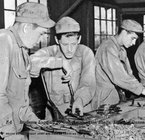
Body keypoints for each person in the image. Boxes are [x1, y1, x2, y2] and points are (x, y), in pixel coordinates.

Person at [0, 2, 55, 140]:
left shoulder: (23, 51)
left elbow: (20, 101)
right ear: (26, 27)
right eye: (41, 33)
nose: (42, 38)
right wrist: (9, 134)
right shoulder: (4, 41)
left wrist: (37, 122)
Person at [30, 17, 96, 118]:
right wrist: (60, 62)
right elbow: (30, 62)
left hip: (81, 109)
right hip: (54, 114)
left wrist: (80, 100)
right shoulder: (50, 52)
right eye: (65, 44)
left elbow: (88, 82)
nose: (70, 49)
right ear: (57, 40)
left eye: (73, 44)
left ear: (79, 39)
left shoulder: (85, 53)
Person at [92, 19, 145, 109]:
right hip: (104, 98)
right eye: (133, 38)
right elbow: (119, 76)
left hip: (116, 95)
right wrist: (142, 90)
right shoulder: (108, 47)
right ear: (124, 32)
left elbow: (129, 75)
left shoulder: (122, 50)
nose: (134, 43)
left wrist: (143, 89)